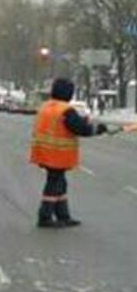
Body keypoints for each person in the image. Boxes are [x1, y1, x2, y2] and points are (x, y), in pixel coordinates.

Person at [30, 77, 108, 228]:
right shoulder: (66, 110)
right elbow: (80, 128)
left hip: (44, 152)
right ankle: (45, 217)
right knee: (54, 185)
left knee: (60, 183)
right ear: (69, 93)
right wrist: (97, 129)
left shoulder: (46, 106)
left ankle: (63, 215)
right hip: (57, 154)